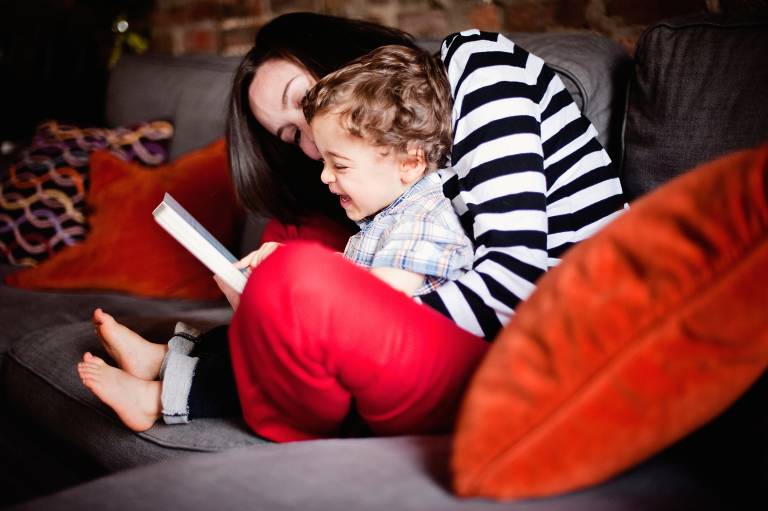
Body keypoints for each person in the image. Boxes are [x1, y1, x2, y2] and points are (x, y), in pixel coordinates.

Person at [81, 12, 627, 442]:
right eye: (294, 137)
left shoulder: (476, 65)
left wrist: (339, 326)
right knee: (290, 275)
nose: (314, 145)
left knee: (300, 279)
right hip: (468, 351)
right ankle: (186, 368)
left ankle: (188, 383)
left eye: (301, 100)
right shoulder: (401, 189)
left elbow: (514, 279)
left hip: (550, 352)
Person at [77, 44, 476, 432]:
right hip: (367, 360)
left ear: (409, 162)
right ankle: (164, 359)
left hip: (397, 377)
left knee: (282, 344)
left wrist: (291, 295)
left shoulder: (427, 213)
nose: (324, 175)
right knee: (275, 320)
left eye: (339, 164)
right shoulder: (388, 213)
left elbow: (380, 303)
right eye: (305, 145)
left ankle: (159, 398)